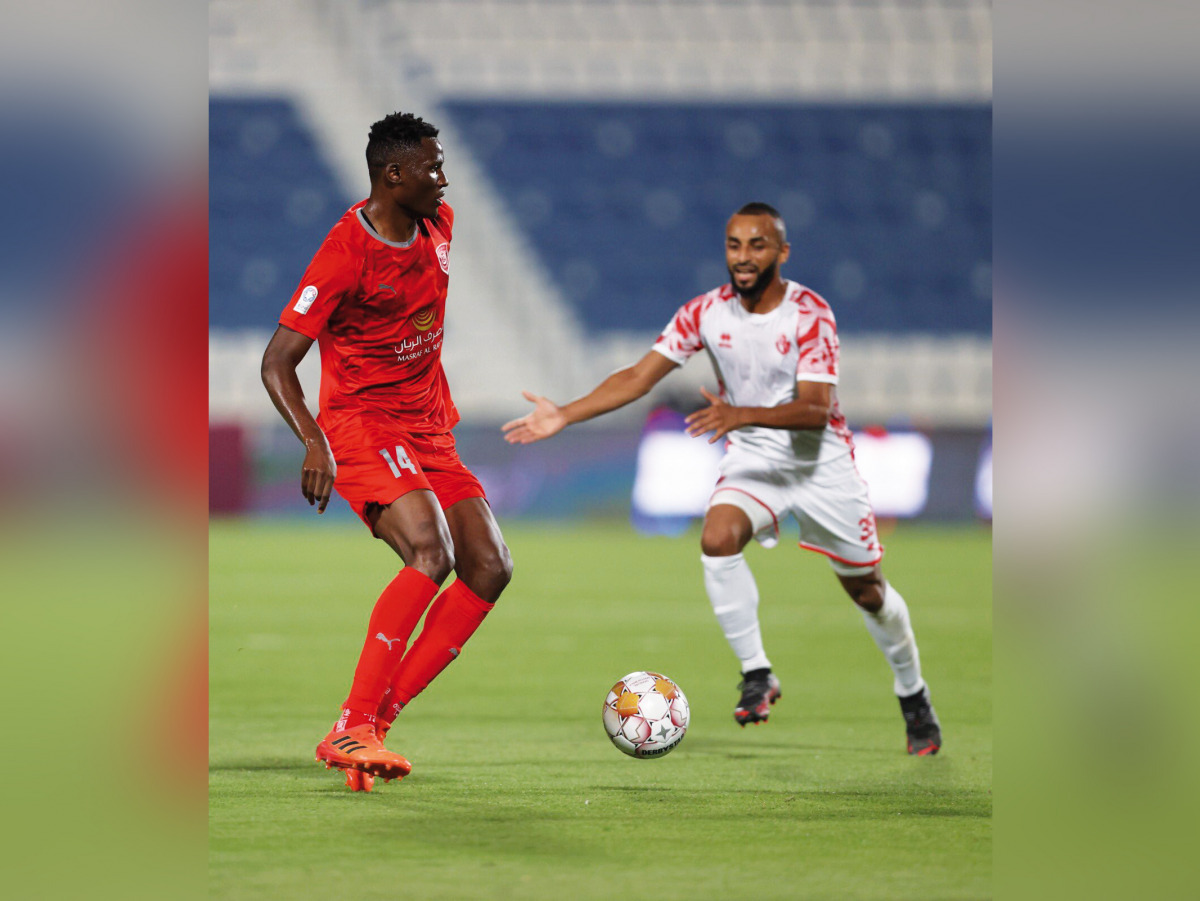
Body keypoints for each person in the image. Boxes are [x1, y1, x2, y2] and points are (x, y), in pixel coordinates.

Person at [503, 202, 940, 755]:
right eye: (735, 245)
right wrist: (565, 413)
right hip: (754, 458)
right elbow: (638, 376)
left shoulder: (810, 313)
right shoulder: (704, 312)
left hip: (820, 464)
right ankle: (757, 672)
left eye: (758, 245)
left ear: (782, 252)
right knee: (717, 538)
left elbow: (816, 408)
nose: (744, 256)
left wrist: (740, 413)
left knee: (868, 592)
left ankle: (912, 693)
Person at [261, 112, 513, 791]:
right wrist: (314, 440)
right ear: (393, 175)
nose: (444, 179)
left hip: (428, 427)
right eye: (433, 167)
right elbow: (277, 362)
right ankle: (352, 723)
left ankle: (372, 726)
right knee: (431, 552)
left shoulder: (440, 224)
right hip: (362, 426)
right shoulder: (346, 252)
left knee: (490, 566)